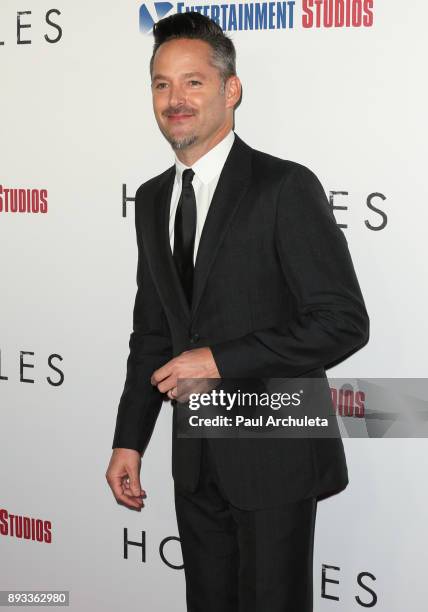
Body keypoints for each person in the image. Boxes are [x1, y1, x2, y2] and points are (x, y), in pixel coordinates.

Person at [106, 11, 369, 612]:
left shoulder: (284, 187)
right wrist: (129, 440)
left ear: (231, 90)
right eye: (162, 83)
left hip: (274, 450)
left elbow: (343, 322)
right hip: (195, 455)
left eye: (193, 82)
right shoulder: (151, 199)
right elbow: (153, 331)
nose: (175, 99)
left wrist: (219, 360)